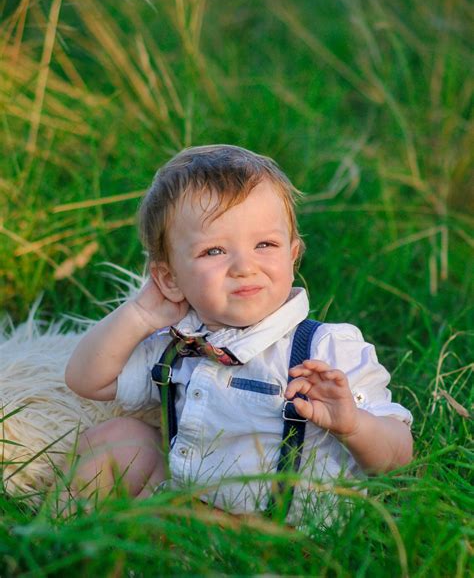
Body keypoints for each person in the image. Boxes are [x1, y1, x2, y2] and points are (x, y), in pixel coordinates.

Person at [65, 144, 413, 524]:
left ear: (292, 256)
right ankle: (53, 539)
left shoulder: (325, 349)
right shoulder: (180, 344)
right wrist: (140, 314)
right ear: (169, 278)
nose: (244, 267)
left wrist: (355, 424)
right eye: (214, 251)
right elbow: (87, 381)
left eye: (265, 245)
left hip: (278, 531)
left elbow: (398, 457)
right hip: (186, 509)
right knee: (118, 436)